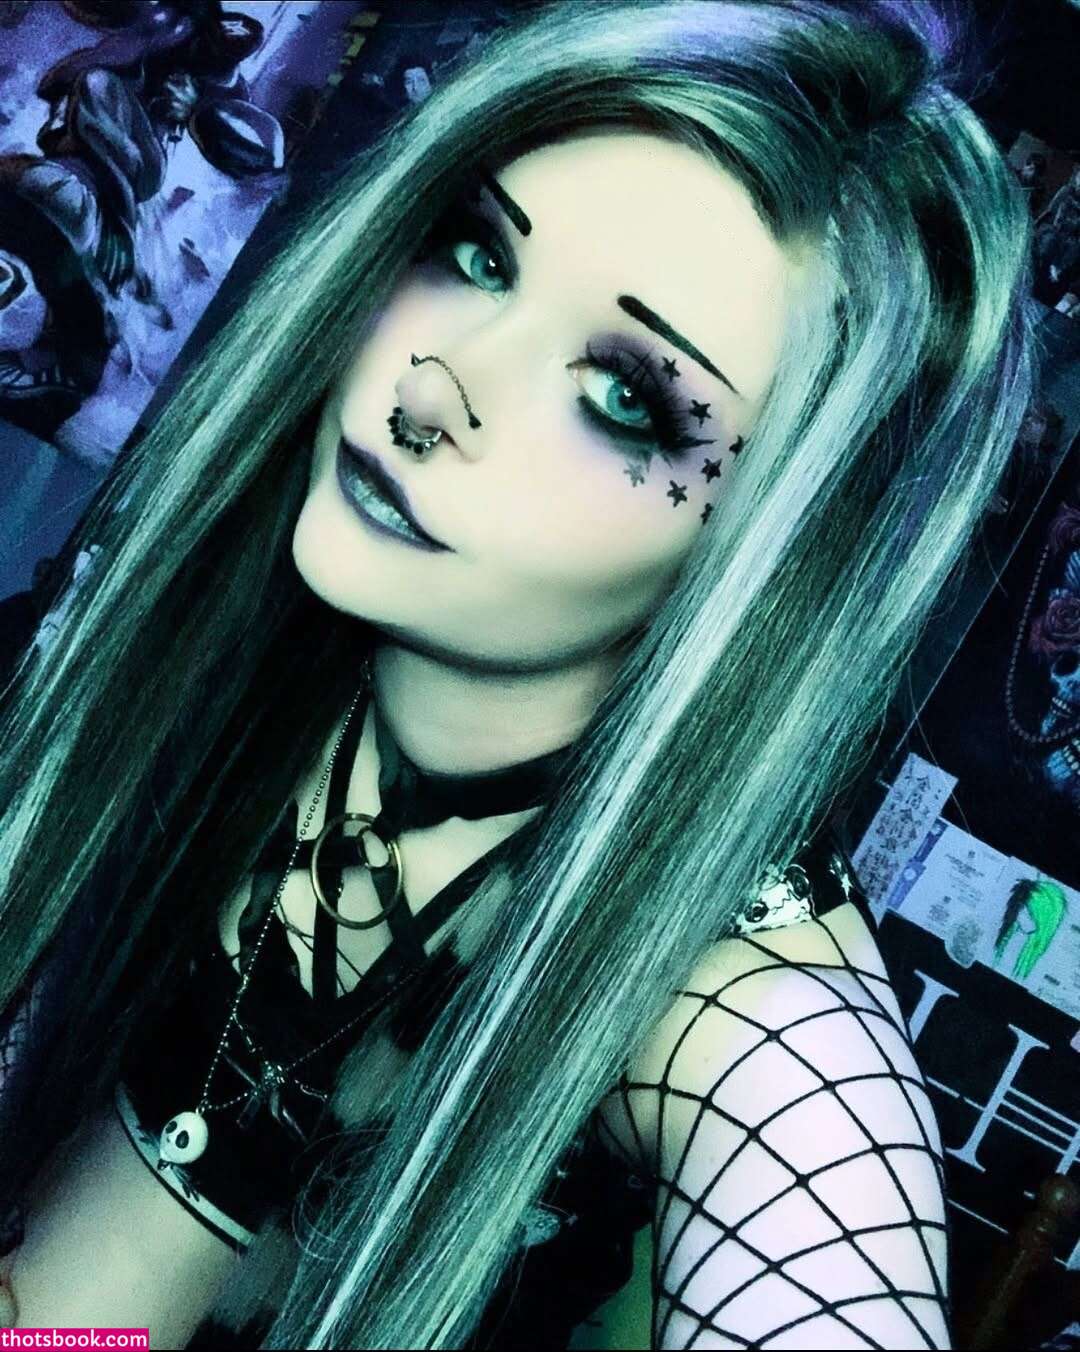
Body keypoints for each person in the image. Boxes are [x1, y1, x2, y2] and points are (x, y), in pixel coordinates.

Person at [0, 0, 1036, 1347]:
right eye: (479, 254)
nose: (432, 389)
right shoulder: (228, 600)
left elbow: (821, 1221)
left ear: (780, 550)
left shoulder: (747, 1028)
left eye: (626, 396)